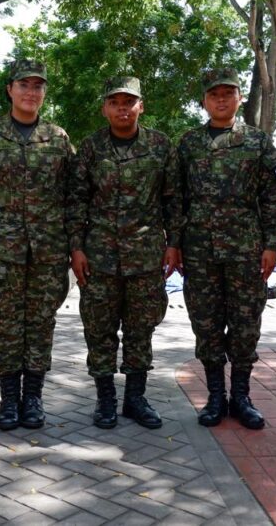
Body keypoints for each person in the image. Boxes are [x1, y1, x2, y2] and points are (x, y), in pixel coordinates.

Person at [0, 60, 74, 431]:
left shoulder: (57, 138)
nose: (31, 92)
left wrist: (73, 242)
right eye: (24, 85)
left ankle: (34, 399)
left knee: (41, 324)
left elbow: (74, 194)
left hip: (47, 249)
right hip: (0, 247)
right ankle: (9, 399)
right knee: (6, 325)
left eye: (38, 86)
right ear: (10, 89)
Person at [67, 76, 182, 430]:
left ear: (140, 106)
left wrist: (174, 243)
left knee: (140, 329)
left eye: (129, 102)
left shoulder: (161, 146)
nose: (122, 108)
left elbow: (173, 200)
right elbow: (76, 201)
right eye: (115, 102)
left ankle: (135, 399)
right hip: (99, 256)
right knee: (99, 330)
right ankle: (105, 400)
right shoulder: (90, 148)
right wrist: (76, 247)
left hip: (146, 257)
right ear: (105, 108)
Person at [178, 68, 276, 429]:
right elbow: (176, 197)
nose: (221, 100)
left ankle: (241, 397)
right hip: (199, 250)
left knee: (245, 324)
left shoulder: (257, 142)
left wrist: (271, 243)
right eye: (214, 95)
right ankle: (214, 397)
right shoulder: (189, 143)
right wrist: (175, 243)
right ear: (204, 101)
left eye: (228, 93)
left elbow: (272, 196)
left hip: (245, 249)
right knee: (206, 324)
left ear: (239, 98)